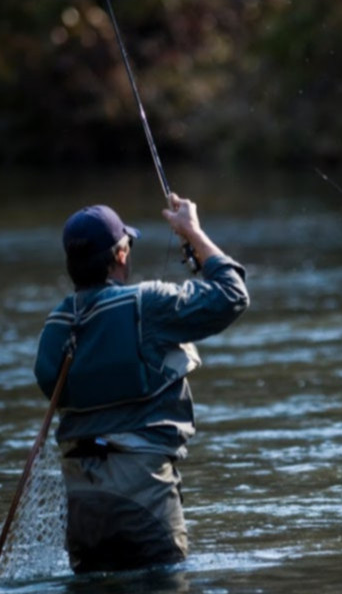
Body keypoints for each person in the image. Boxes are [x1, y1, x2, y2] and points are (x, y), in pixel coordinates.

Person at [34, 193, 249, 573]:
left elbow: (50, 381)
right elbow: (232, 296)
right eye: (127, 245)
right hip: (143, 502)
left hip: (84, 510)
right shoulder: (146, 304)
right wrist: (194, 235)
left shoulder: (54, 328)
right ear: (120, 254)